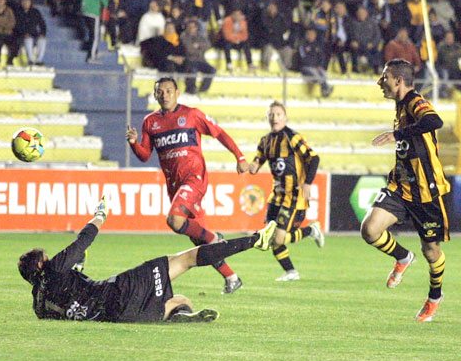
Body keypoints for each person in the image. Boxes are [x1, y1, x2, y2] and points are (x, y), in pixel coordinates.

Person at [18, 197, 279, 323]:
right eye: (46, 258)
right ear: (41, 264)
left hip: (118, 316)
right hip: (120, 291)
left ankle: (180, 316)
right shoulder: (53, 269)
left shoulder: (39, 306)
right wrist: (99, 215)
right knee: (186, 259)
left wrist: (77, 268)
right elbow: (83, 240)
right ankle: (256, 240)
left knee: (181, 300)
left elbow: (69, 297)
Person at [126, 77, 249, 294]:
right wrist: (134, 143)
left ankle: (214, 238)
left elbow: (219, 132)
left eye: (168, 90)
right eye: (160, 91)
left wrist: (239, 156)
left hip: (194, 178)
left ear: (177, 93)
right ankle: (231, 277)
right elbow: (145, 156)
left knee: (175, 220)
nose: (164, 95)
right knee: (198, 239)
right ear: (155, 95)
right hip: (174, 185)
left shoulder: (192, 115)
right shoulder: (150, 122)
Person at [361, 58, 451, 322]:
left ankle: (434, 297)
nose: (380, 82)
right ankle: (402, 257)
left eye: (385, 77)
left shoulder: (414, 101)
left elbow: (434, 120)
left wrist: (396, 135)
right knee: (370, 230)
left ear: (399, 81)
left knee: (431, 252)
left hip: (425, 190)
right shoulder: (400, 106)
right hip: (400, 186)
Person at [248, 101, 325, 281]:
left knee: (277, 238)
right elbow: (256, 164)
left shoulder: (292, 138)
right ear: (267, 118)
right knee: (270, 237)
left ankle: (311, 231)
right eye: (271, 115)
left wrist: (307, 183)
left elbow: (314, 158)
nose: (274, 118)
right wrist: (248, 166)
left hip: (294, 196)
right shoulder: (265, 141)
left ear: (285, 117)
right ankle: (291, 272)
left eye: (278, 114)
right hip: (276, 196)